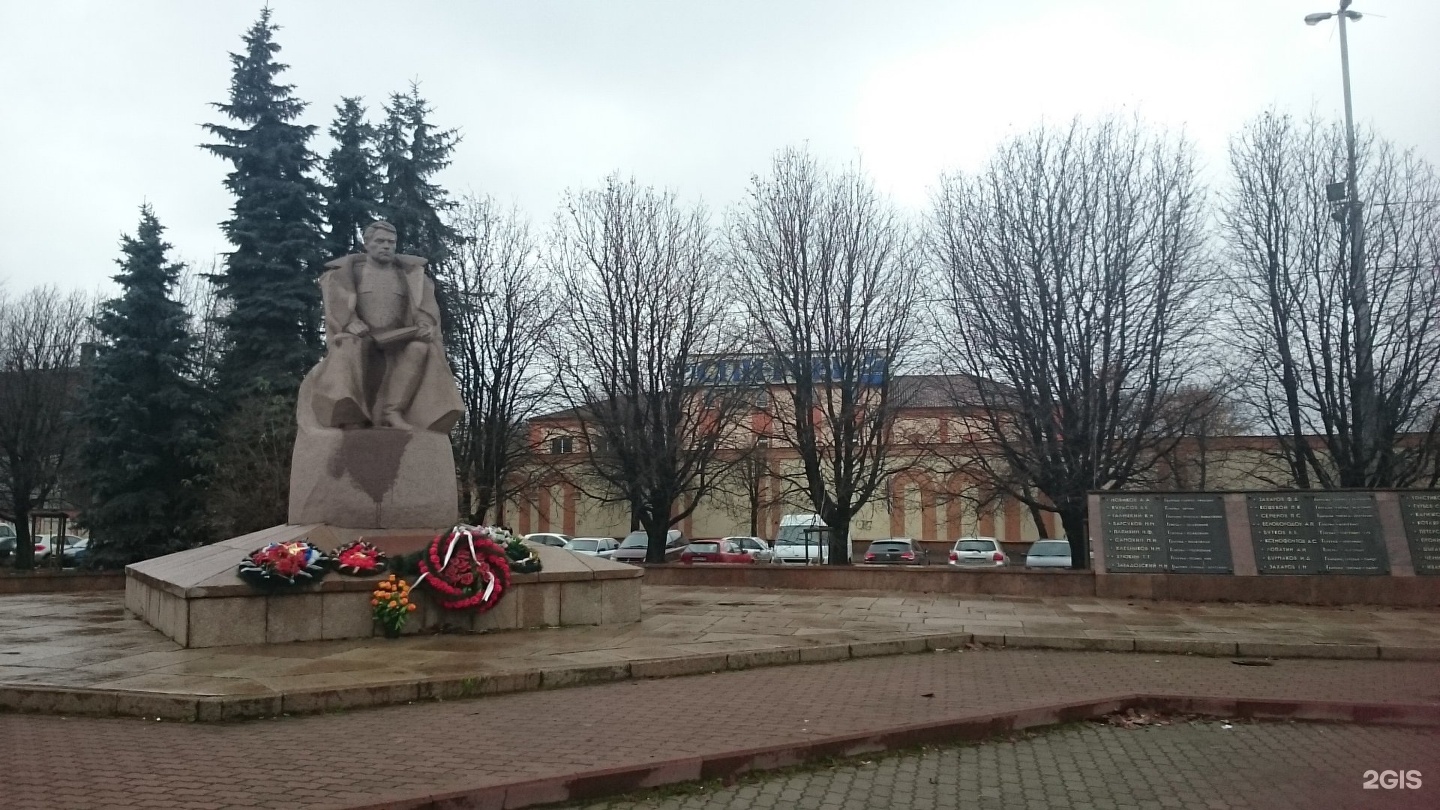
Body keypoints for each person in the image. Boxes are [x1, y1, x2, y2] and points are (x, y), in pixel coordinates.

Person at [305, 221, 464, 432]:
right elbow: (338, 305)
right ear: (367, 243)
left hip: (399, 339)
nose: (386, 246)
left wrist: (425, 325)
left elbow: (425, 310)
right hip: (361, 337)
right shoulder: (347, 273)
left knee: (420, 348)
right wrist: (350, 322)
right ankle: (352, 414)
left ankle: (392, 412)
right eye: (380, 241)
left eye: (391, 242)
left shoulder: (410, 276)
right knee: (349, 344)